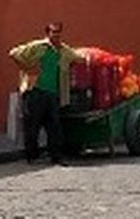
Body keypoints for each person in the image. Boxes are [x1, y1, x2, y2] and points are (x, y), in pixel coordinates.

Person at [8, 22, 84, 164]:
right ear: (48, 33)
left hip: (53, 94)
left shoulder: (63, 50)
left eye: (58, 33)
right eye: (53, 32)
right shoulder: (38, 47)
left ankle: (56, 156)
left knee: (55, 126)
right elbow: (14, 53)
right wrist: (28, 67)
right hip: (35, 91)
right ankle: (31, 156)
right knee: (32, 126)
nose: (56, 35)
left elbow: (79, 58)